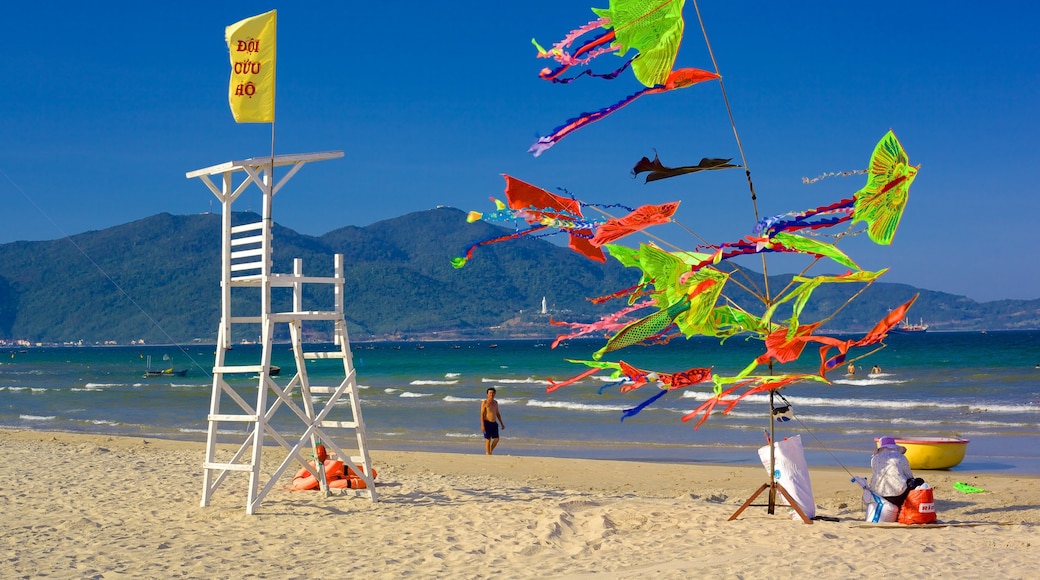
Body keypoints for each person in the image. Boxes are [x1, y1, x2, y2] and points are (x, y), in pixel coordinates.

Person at [870, 436, 919, 507]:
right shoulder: (900, 457)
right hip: (898, 494)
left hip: (877, 494)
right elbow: (909, 476)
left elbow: (876, 473)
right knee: (917, 481)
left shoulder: (874, 459)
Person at [480, 387, 505, 455]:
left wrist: (502, 424)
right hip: (487, 422)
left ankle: (490, 450)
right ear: (487, 394)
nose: (492, 394)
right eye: (490, 393)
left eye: (493, 393)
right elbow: (482, 414)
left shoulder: (495, 402)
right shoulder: (484, 402)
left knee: (496, 439)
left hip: (494, 423)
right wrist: (482, 425)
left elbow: (497, 414)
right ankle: (488, 453)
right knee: (488, 439)